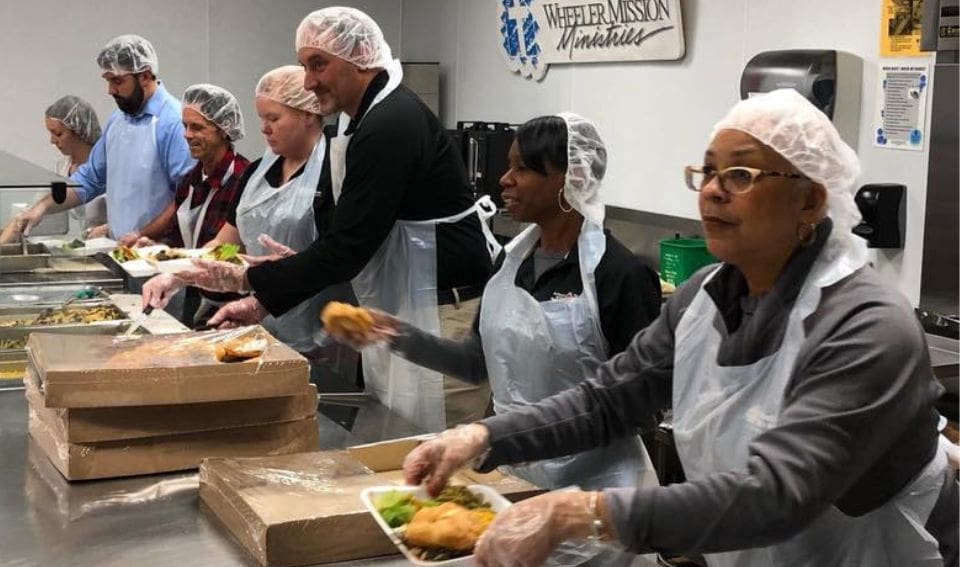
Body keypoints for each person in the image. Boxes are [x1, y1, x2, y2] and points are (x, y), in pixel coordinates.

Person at [401, 89, 959, 567]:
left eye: (740, 174)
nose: (712, 189)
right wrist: (484, 437)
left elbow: (777, 495)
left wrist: (580, 511)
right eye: (708, 171)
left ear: (810, 199)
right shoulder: (704, 298)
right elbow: (609, 401)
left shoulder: (866, 325)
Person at [177, 7, 496, 432]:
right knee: (400, 442)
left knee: (436, 450)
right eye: (305, 66)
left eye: (318, 64)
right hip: (403, 309)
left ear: (360, 57)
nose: (309, 81)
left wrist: (249, 284)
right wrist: (280, 278)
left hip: (441, 315)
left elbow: (347, 248)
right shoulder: (357, 122)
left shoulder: (390, 123)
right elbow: (351, 235)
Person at [328, 113, 661, 494]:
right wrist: (395, 335)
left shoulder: (620, 274)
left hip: (599, 490)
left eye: (523, 168)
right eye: (508, 166)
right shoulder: (510, 263)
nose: (505, 179)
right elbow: (475, 363)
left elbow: (641, 408)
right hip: (517, 477)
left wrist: (506, 435)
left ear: (573, 178)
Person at [142, 66, 335, 349]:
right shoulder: (256, 173)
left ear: (307, 114)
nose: (263, 128)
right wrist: (178, 275)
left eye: (273, 118)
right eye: (261, 118)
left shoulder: (333, 173)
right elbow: (228, 244)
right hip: (261, 319)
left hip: (323, 331)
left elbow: (336, 259)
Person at [2, 35, 194, 242]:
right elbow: (90, 179)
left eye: (117, 81)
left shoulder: (173, 122)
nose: (110, 90)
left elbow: (186, 198)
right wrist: (42, 207)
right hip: (122, 249)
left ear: (145, 76)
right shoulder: (118, 121)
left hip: (158, 252)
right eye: (108, 80)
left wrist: (142, 234)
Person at [124, 83, 249, 249]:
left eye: (197, 127)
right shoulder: (190, 180)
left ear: (224, 129)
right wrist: (157, 247)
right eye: (185, 126)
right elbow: (176, 237)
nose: (187, 135)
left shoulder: (243, 179)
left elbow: (234, 246)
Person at [44, 95, 107, 232]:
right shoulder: (61, 167)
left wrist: (107, 229)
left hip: (108, 246)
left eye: (58, 134)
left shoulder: (106, 167)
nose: (53, 141)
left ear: (80, 130)